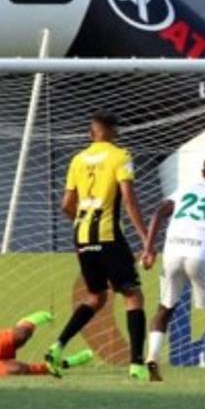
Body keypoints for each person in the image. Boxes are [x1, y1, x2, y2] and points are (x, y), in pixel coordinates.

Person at [45, 112, 152, 380]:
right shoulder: (120, 156)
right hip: (108, 235)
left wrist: (81, 225)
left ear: (91, 133)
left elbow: (66, 205)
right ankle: (137, 364)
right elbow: (128, 200)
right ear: (114, 131)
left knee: (96, 296)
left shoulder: (77, 160)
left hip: (82, 236)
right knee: (132, 295)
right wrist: (146, 239)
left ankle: (57, 346)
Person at [141, 154, 205, 382]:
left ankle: (152, 356)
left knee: (164, 308)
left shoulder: (185, 190)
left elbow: (159, 212)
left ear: (203, 172)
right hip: (201, 254)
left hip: (173, 252)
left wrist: (148, 248)